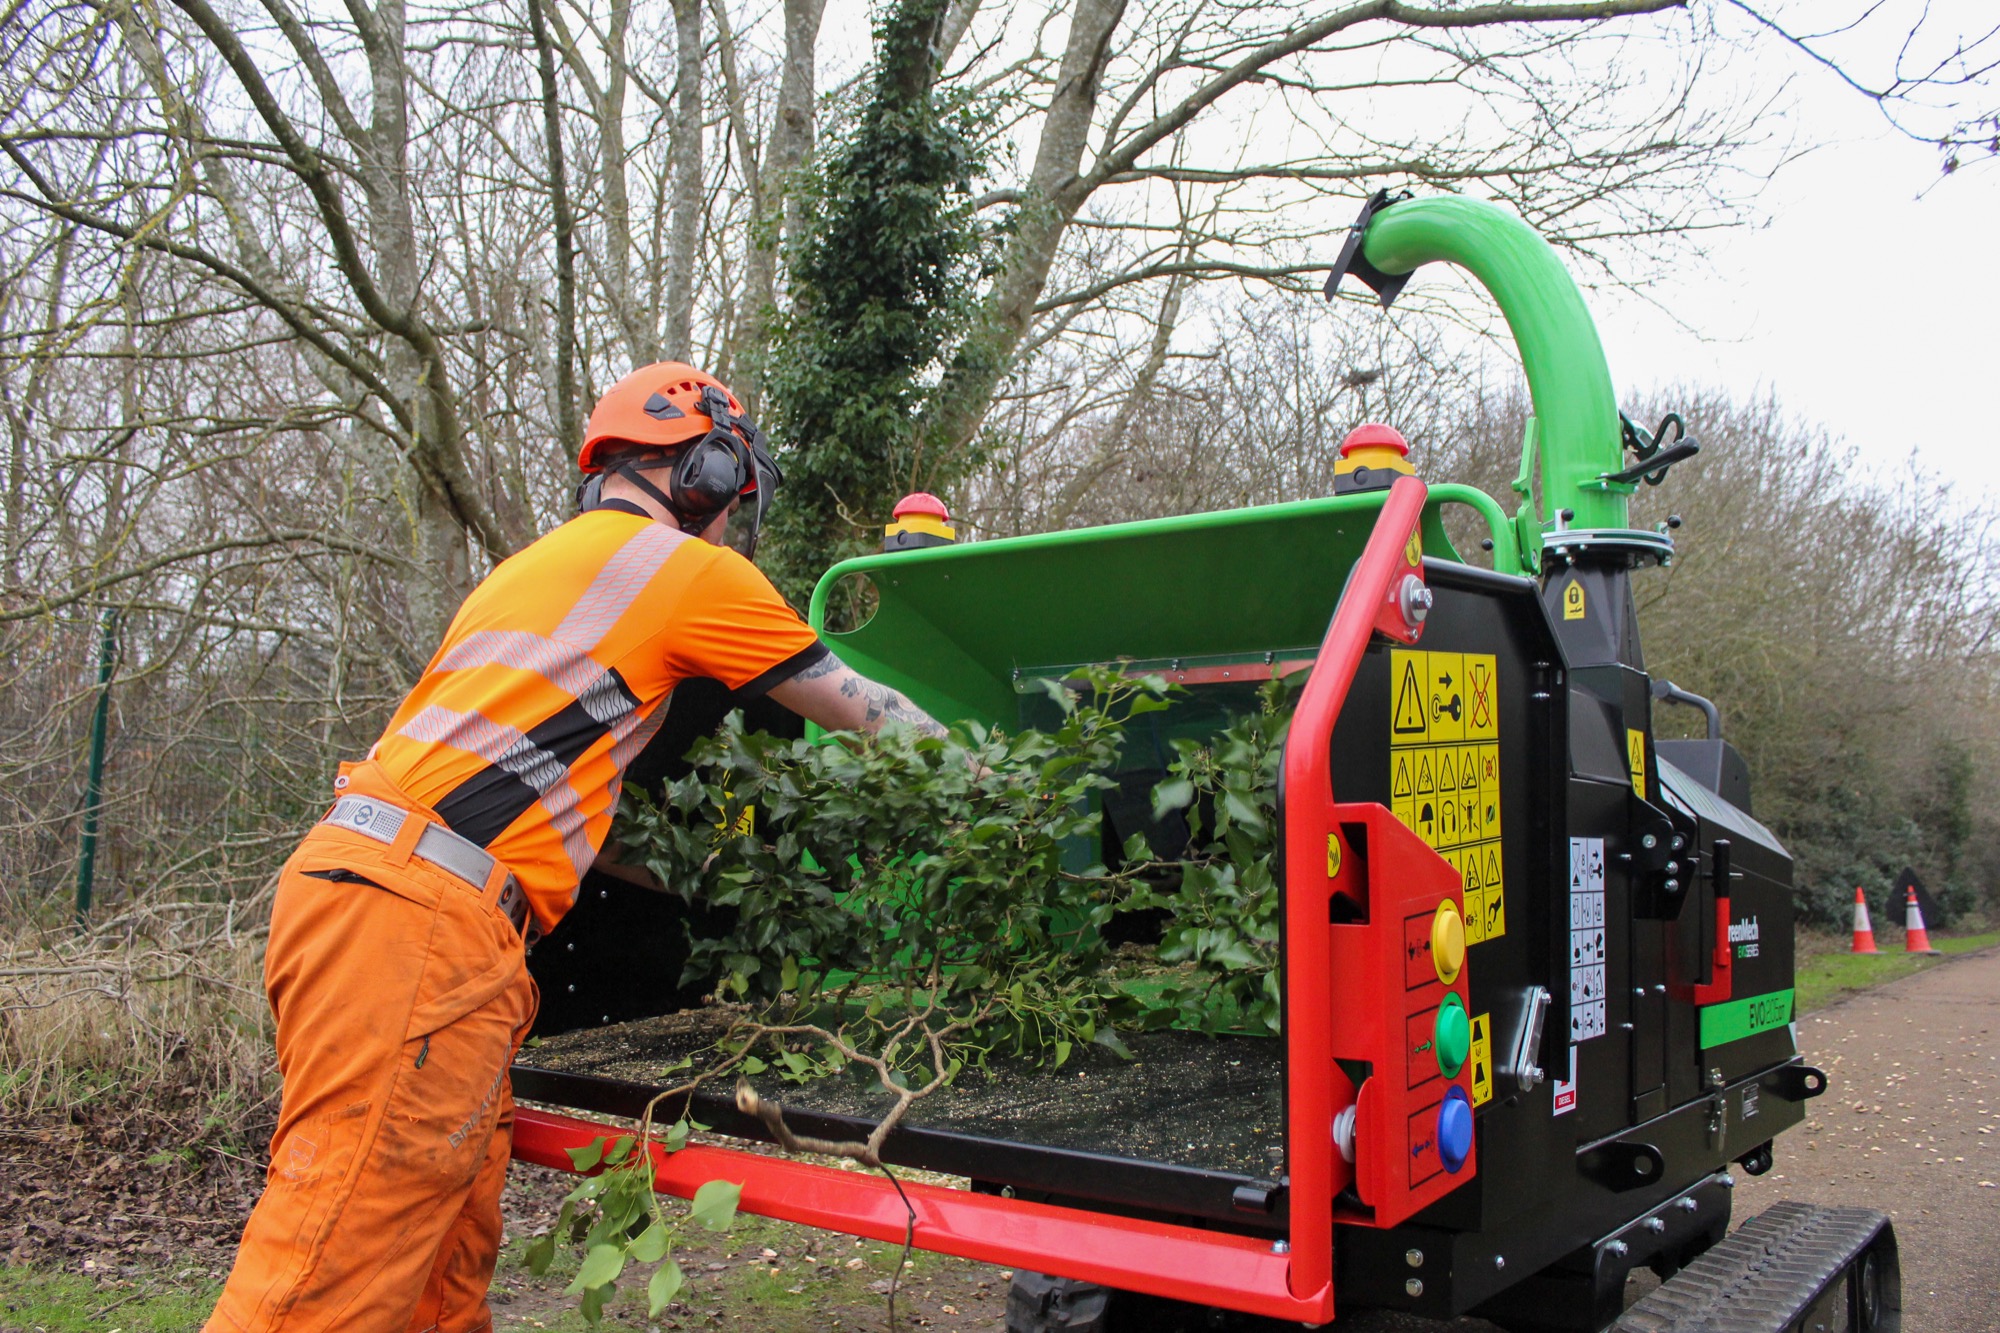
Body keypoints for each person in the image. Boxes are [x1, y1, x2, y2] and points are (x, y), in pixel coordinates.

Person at [206, 362, 944, 1333]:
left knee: (438, 1268)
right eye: (734, 495)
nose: (732, 520)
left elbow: (555, 815)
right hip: (422, 921)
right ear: (707, 473)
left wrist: (709, 880)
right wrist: (995, 772)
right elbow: (870, 712)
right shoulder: (684, 568)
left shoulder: (533, 573)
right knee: (328, 1274)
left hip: (368, 887)